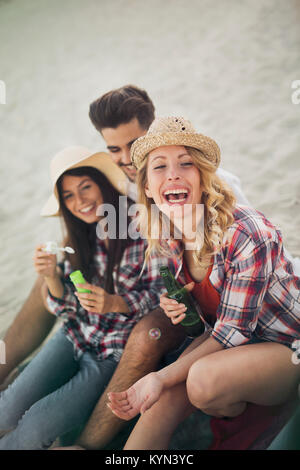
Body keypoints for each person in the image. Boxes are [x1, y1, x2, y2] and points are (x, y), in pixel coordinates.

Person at [0, 85, 269, 449]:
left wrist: (126, 303)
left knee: (145, 333)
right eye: (115, 149)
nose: (127, 158)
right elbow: (88, 238)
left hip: (197, 301)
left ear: (151, 133)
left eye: (134, 145)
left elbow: (242, 247)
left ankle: (88, 441)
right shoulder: (114, 188)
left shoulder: (204, 185)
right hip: (145, 300)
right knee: (50, 275)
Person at [107, 116, 300, 450]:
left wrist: (160, 375)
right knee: (159, 397)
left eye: (186, 163)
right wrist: (183, 308)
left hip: (287, 347)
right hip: (235, 346)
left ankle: (260, 408)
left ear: (203, 177)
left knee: (201, 380)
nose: (173, 174)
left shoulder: (246, 234)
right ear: (149, 189)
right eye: (159, 167)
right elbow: (211, 327)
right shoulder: (169, 238)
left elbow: (231, 332)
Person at [0, 146, 166, 450]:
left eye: (86, 187)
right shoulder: (81, 234)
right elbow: (66, 308)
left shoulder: (142, 224)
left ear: (103, 182)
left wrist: (115, 303)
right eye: (69, 196)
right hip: (73, 336)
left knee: (37, 427)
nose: (80, 201)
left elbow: (161, 294)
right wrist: (51, 276)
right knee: (6, 409)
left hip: (110, 355)